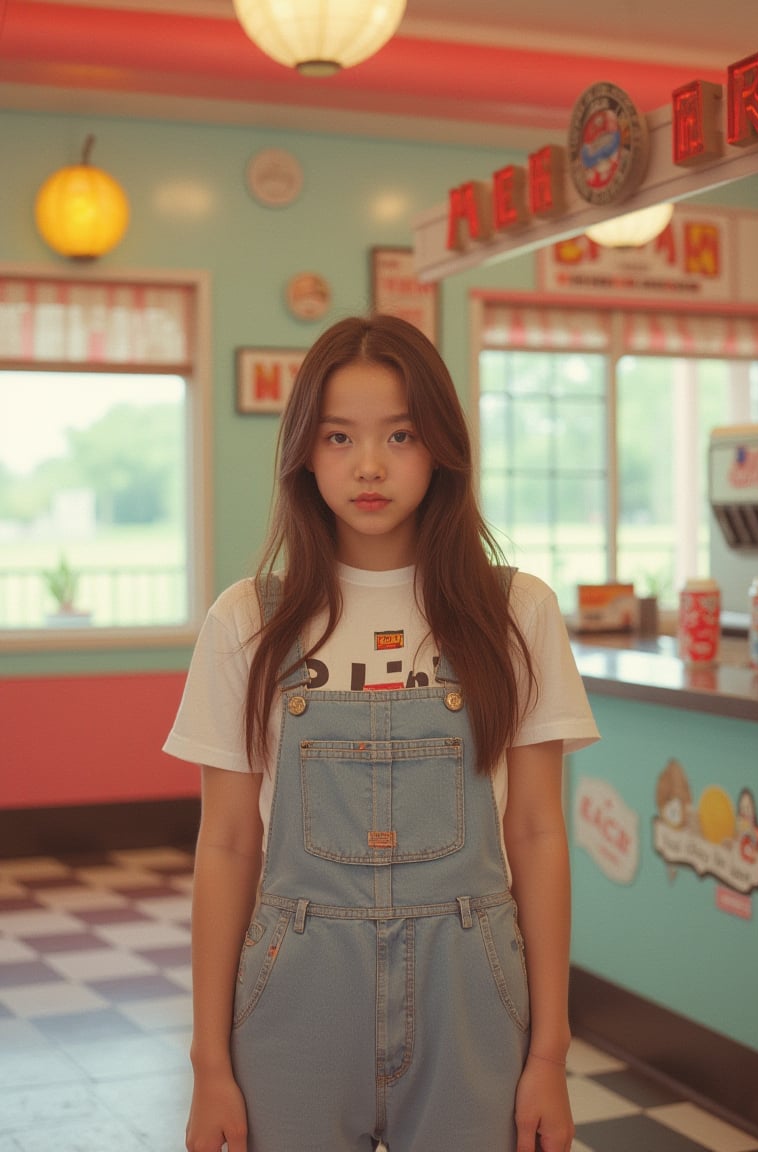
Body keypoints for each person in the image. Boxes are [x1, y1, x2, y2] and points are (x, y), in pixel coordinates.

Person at [163, 314, 599, 1152]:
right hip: (295, 990)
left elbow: (539, 831)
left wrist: (549, 1052)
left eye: (400, 434)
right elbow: (224, 845)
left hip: (472, 991)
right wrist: (209, 1064)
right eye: (339, 436)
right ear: (303, 451)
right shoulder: (247, 619)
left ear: (441, 446)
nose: (369, 464)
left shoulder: (516, 612)